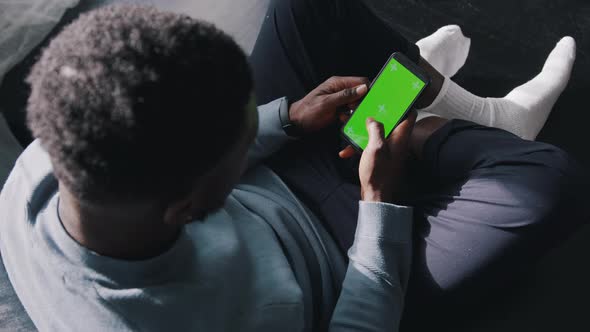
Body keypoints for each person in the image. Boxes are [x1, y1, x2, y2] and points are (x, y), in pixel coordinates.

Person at [0, 2, 585, 332]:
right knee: (550, 184)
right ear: (190, 208)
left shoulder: (47, 156)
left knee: (302, 7)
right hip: (341, 259)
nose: (258, 121)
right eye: (241, 135)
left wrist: (284, 119)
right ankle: (449, 127)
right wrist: (382, 205)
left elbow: (209, 142)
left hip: (258, 187)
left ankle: (440, 104)